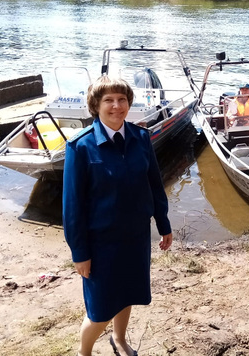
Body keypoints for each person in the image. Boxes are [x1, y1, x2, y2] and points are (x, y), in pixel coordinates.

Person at [62, 76, 173, 356]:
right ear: (96, 105)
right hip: (101, 243)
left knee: (128, 293)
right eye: (108, 100)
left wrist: (163, 223)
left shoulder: (141, 138)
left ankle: (119, 339)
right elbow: (72, 207)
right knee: (99, 309)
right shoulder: (80, 146)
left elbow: (154, 185)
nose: (116, 106)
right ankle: (84, 352)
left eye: (122, 99)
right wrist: (79, 252)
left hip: (136, 237)